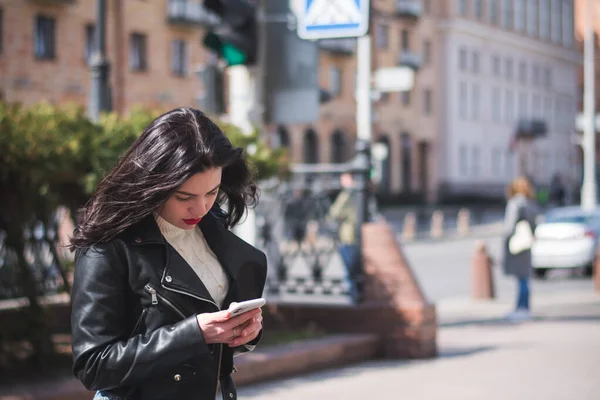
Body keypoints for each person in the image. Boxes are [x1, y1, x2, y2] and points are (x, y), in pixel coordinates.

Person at [69, 108, 267, 400]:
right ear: (154, 183)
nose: (199, 208)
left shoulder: (212, 224)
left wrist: (244, 333)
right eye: (184, 197)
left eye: (212, 192)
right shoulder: (108, 243)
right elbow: (94, 365)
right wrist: (194, 334)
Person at [502, 176, 538, 322]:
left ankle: (521, 308)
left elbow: (509, 227)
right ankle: (523, 307)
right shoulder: (530, 203)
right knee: (525, 277)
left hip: (517, 244)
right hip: (526, 243)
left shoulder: (515, 204)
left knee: (521, 279)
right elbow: (534, 224)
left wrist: (506, 239)